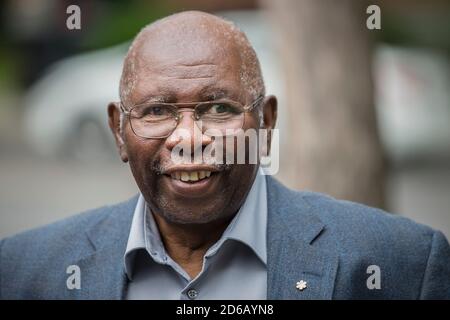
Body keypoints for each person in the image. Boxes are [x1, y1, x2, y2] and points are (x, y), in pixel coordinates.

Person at [1, 11, 449, 300]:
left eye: (219, 108)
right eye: (157, 111)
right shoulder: (24, 272)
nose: (190, 138)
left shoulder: (402, 265)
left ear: (267, 122)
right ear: (120, 130)